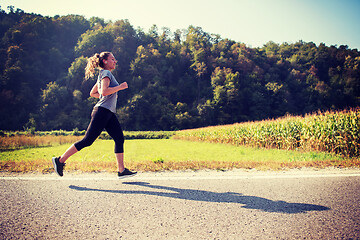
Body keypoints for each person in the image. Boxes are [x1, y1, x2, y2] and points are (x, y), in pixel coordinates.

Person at [52, 51, 137, 179]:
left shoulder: (102, 74)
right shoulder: (106, 73)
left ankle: (121, 170)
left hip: (108, 112)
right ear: (105, 61)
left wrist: (105, 96)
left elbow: (93, 93)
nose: (115, 61)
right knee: (87, 141)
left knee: (119, 138)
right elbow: (103, 91)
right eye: (112, 59)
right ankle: (59, 161)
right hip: (102, 111)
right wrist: (120, 87)